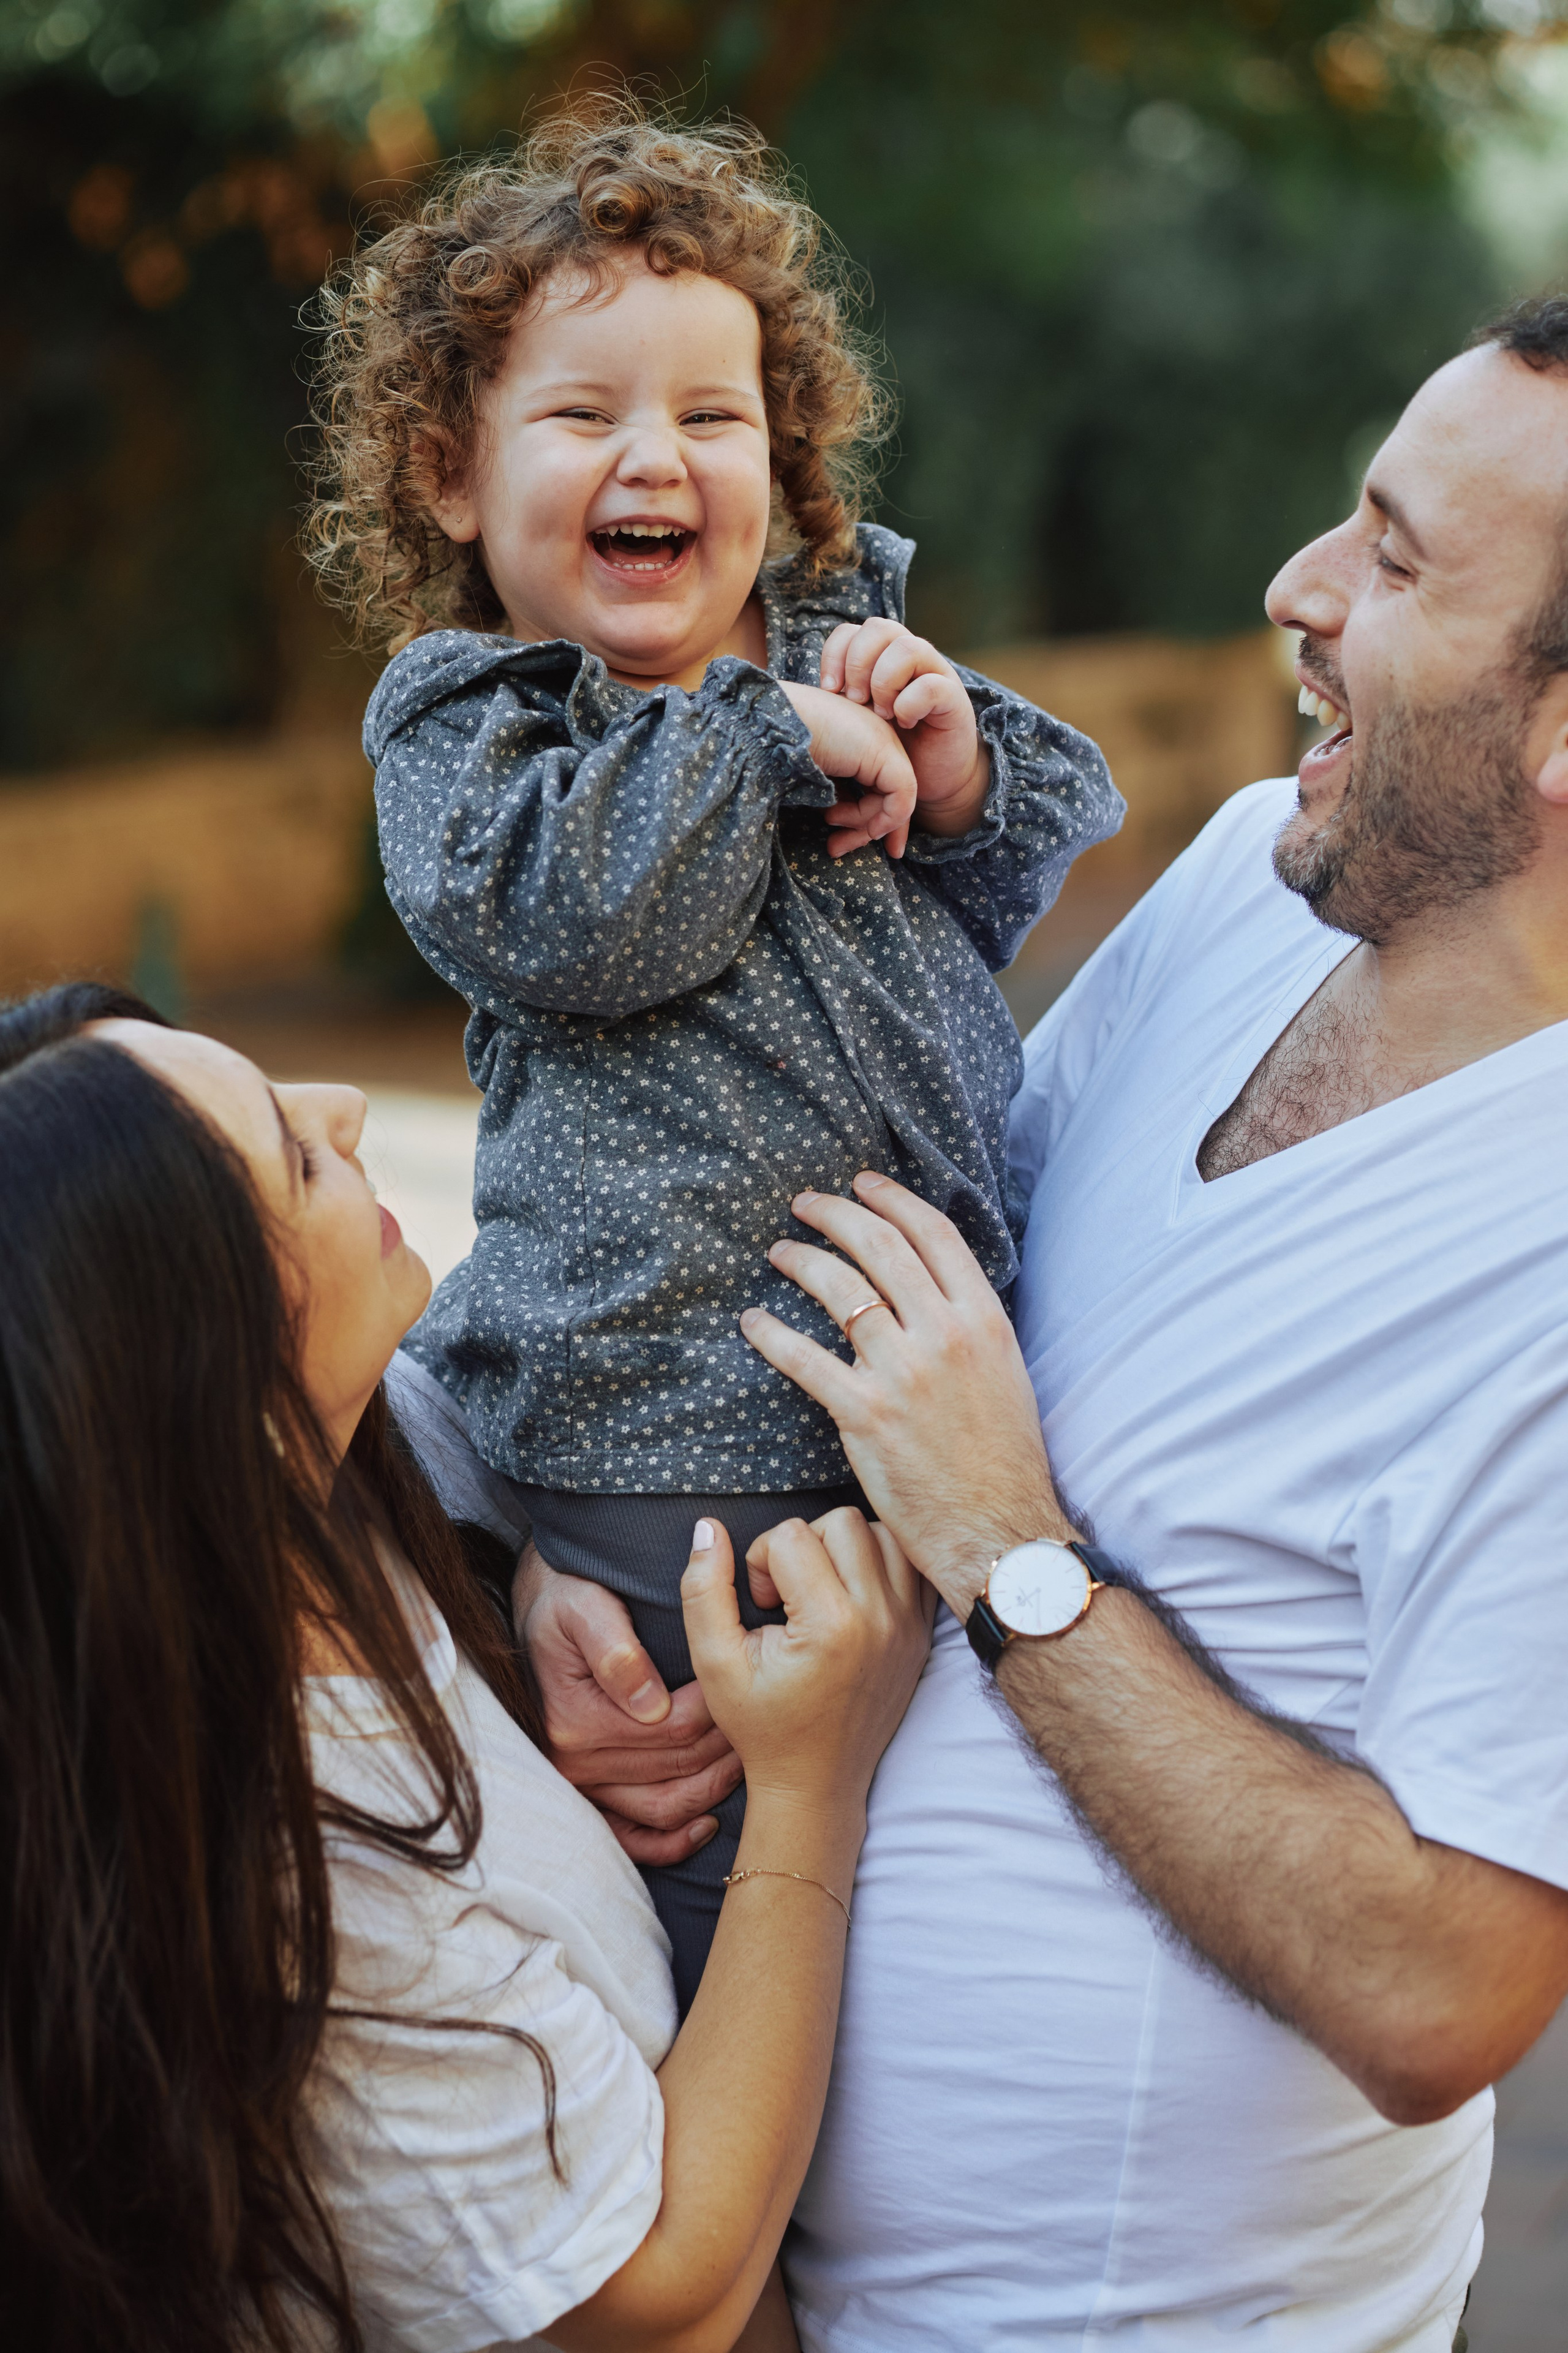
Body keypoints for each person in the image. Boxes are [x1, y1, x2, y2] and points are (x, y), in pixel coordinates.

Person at [524, 296, 1568, 2348]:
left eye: (1399, 556)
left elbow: (1446, 1995)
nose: (1300, 587)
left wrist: (1014, 1557)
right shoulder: (1252, 891)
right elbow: (890, 1312)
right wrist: (582, 1599)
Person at [306, 102, 1121, 2004]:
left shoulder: (843, 644)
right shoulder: (475, 728)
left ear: (785, 453)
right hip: (679, 1462)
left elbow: (1018, 871)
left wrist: (954, 766)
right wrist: (753, 743)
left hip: (943, 1412)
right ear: (448, 472)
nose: (655, 456)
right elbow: (579, 921)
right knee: (717, 1869)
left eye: (713, 414)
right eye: (583, 415)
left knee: (944, 1883)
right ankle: (709, 2210)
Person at [0, 981, 932, 2353]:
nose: (350, 1109)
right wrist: (812, 1786)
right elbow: (661, 2296)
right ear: (210, 1387)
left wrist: (536, 1569)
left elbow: (468, 1448)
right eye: (294, 1154)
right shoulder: (292, 1878)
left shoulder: (332, 1491)